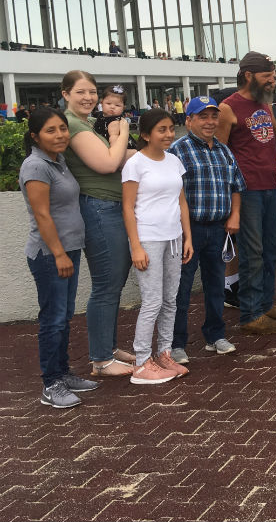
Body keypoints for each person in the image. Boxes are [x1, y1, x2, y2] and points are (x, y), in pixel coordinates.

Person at [20, 107, 100, 408]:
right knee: (52, 319)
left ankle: (63, 373)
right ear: (35, 136)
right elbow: (42, 214)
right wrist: (58, 254)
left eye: (63, 129)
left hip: (68, 250)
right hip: (50, 254)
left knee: (64, 315)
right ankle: (50, 384)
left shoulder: (59, 161)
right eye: (50, 130)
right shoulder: (36, 166)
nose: (59, 135)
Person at [62, 70, 136, 377]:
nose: (88, 98)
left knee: (114, 281)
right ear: (65, 93)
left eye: (92, 92)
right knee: (107, 284)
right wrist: (123, 132)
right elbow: (107, 162)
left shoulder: (92, 123)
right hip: (98, 208)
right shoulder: (74, 124)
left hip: (111, 206)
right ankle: (101, 359)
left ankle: (108, 347)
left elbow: (122, 156)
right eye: (80, 92)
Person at [217, 52, 276, 335]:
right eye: (266, 76)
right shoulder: (228, 108)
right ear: (248, 75)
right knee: (253, 252)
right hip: (246, 191)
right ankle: (250, 313)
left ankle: (264, 303)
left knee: (272, 250)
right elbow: (221, 153)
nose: (272, 81)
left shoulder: (264, 103)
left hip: (269, 186)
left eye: (273, 76)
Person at [168, 96, 245, 364]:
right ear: (188, 120)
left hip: (219, 230)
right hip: (189, 232)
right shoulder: (177, 151)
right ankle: (176, 343)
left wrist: (235, 216)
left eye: (214, 116)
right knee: (182, 288)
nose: (210, 122)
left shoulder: (224, 151)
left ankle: (215, 335)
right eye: (203, 116)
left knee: (215, 286)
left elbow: (237, 187)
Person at [121, 108, 193, 385]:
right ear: (146, 135)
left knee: (170, 300)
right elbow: (127, 208)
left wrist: (188, 237)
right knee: (152, 301)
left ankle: (164, 353)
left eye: (170, 129)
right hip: (148, 238)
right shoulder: (135, 164)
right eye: (161, 130)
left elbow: (181, 202)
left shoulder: (174, 161)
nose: (168, 134)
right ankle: (142, 362)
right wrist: (136, 246)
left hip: (174, 237)